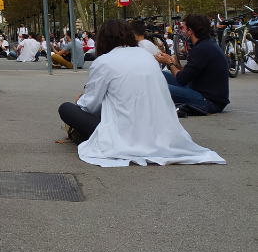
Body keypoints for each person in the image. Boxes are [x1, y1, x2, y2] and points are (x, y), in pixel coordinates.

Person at [57, 19, 225, 167]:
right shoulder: (146, 57)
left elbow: (91, 105)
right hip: (159, 131)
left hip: (124, 132)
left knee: (66, 108)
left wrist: (80, 100)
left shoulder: (103, 62)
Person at [154, 13, 229, 113]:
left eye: (184, 28)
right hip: (201, 89)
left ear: (190, 31)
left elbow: (181, 79)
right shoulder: (207, 45)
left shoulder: (201, 49)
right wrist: (176, 65)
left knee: (158, 86)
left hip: (209, 101)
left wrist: (169, 64)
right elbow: (189, 73)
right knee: (159, 75)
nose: (182, 31)